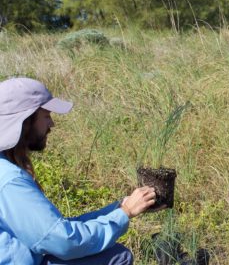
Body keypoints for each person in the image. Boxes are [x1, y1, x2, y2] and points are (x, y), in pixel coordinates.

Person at [0, 77, 166, 265]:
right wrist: (125, 213)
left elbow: (56, 229)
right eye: (46, 116)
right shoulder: (9, 181)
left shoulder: (5, 166)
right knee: (116, 257)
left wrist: (120, 207)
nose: (51, 123)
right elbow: (64, 241)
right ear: (25, 121)